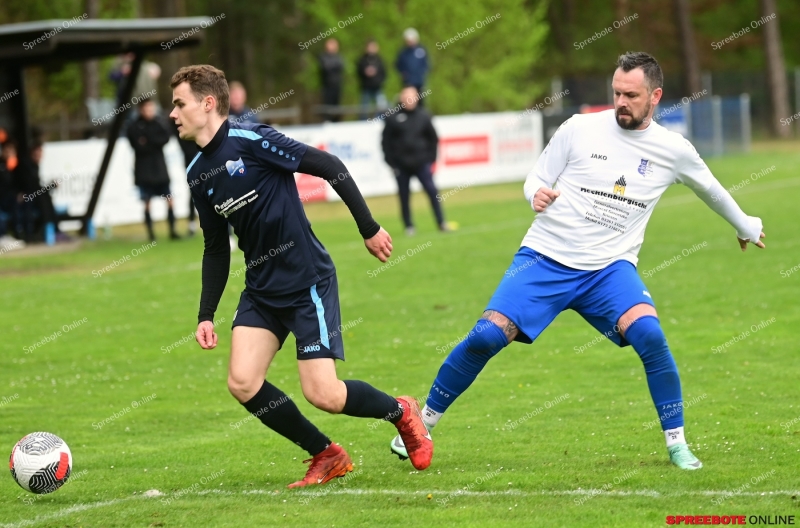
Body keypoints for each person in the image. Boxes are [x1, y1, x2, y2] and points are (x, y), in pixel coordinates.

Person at [389, 52, 766, 471]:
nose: (621, 101)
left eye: (632, 95)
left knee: (651, 337)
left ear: (655, 96)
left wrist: (745, 223)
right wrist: (535, 193)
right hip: (545, 259)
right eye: (617, 92)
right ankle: (421, 425)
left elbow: (710, 188)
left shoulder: (672, 149)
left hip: (609, 270)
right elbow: (537, 176)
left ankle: (677, 443)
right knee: (484, 337)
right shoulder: (579, 128)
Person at [168, 64, 433, 487]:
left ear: (208, 103)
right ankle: (326, 455)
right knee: (242, 382)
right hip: (261, 291)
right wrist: (205, 313)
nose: (173, 113)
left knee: (324, 395)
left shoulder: (253, 139)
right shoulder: (198, 173)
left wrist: (368, 228)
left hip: (306, 280)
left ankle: (401, 412)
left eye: (179, 103)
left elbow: (330, 165)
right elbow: (216, 248)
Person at [381, 86, 447, 235]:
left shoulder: (424, 116)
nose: (410, 100)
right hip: (401, 165)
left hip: (422, 163)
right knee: (404, 196)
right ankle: (409, 226)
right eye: (406, 97)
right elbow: (385, 142)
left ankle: (441, 222)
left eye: (413, 97)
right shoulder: (392, 117)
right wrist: (391, 163)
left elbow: (433, 139)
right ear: (401, 98)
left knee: (432, 191)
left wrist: (432, 160)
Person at [127, 98, 179, 241]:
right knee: (147, 201)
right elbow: (137, 145)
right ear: (141, 110)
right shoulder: (135, 126)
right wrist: (151, 141)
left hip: (160, 169)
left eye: (151, 108)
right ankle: (151, 234)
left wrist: (148, 140)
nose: (149, 111)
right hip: (144, 171)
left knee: (169, 199)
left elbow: (165, 138)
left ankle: (173, 231)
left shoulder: (159, 122)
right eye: (146, 109)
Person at [356, 39, 387, 120]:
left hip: (377, 87)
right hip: (366, 87)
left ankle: (380, 120)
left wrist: (378, 80)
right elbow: (359, 72)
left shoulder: (379, 60)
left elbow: (383, 73)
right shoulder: (363, 60)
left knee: (382, 106)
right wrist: (365, 72)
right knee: (364, 107)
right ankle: (363, 122)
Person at [395, 28, 429, 96]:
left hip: (419, 81)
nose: (410, 42)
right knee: (408, 100)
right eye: (408, 40)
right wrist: (403, 73)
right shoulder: (403, 52)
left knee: (420, 100)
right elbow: (398, 64)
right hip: (407, 82)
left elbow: (426, 64)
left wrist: (421, 73)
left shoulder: (421, 50)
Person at [318, 38, 344, 122]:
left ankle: (336, 121)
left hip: (337, 85)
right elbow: (325, 68)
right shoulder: (323, 56)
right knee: (327, 104)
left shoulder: (338, 57)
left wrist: (332, 66)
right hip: (327, 85)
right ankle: (327, 120)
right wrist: (334, 66)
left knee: (336, 105)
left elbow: (340, 66)